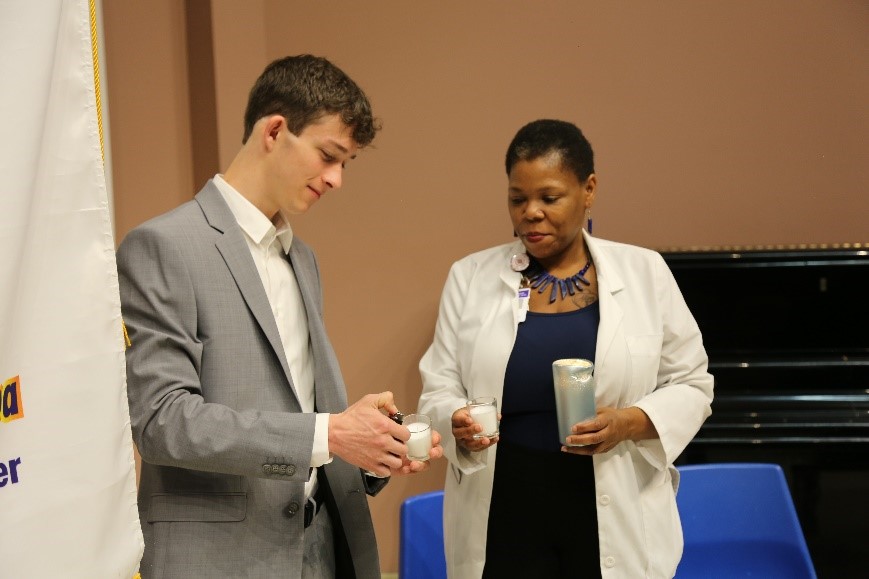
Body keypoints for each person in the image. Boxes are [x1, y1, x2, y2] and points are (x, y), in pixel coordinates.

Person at [118, 54, 442, 579]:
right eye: (328, 155)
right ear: (274, 130)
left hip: (323, 550)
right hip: (223, 560)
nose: (336, 179)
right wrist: (329, 434)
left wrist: (372, 443)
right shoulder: (164, 245)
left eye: (346, 164)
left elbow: (300, 413)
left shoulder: (302, 258)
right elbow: (161, 420)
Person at [418, 119, 713, 578]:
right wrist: (454, 419)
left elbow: (692, 383)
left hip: (611, 505)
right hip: (505, 512)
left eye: (549, 198)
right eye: (518, 199)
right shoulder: (469, 276)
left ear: (588, 189)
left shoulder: (644, 272)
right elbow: (438, 387)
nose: (530, 212)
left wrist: (628, 423)